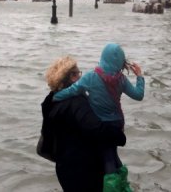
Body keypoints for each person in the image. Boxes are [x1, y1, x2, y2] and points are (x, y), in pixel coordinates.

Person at [53, 43, 144, 185]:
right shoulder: (121, 79)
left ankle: (112, 187)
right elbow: (138, 95)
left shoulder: (91, 77)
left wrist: (54, 97)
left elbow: (72, 90)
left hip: (101, 125)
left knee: (107, 157)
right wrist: (139, 76)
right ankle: (123, 184)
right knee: (113, 154)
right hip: (118, 123)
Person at [41, 56, 127, 192]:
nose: (81, 77)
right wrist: (120, 136)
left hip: (64, 168)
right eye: (78, 73)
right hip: (84, 170)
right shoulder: (76, 102)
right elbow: (97, 128)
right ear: (72, 76)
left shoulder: (50, 101)